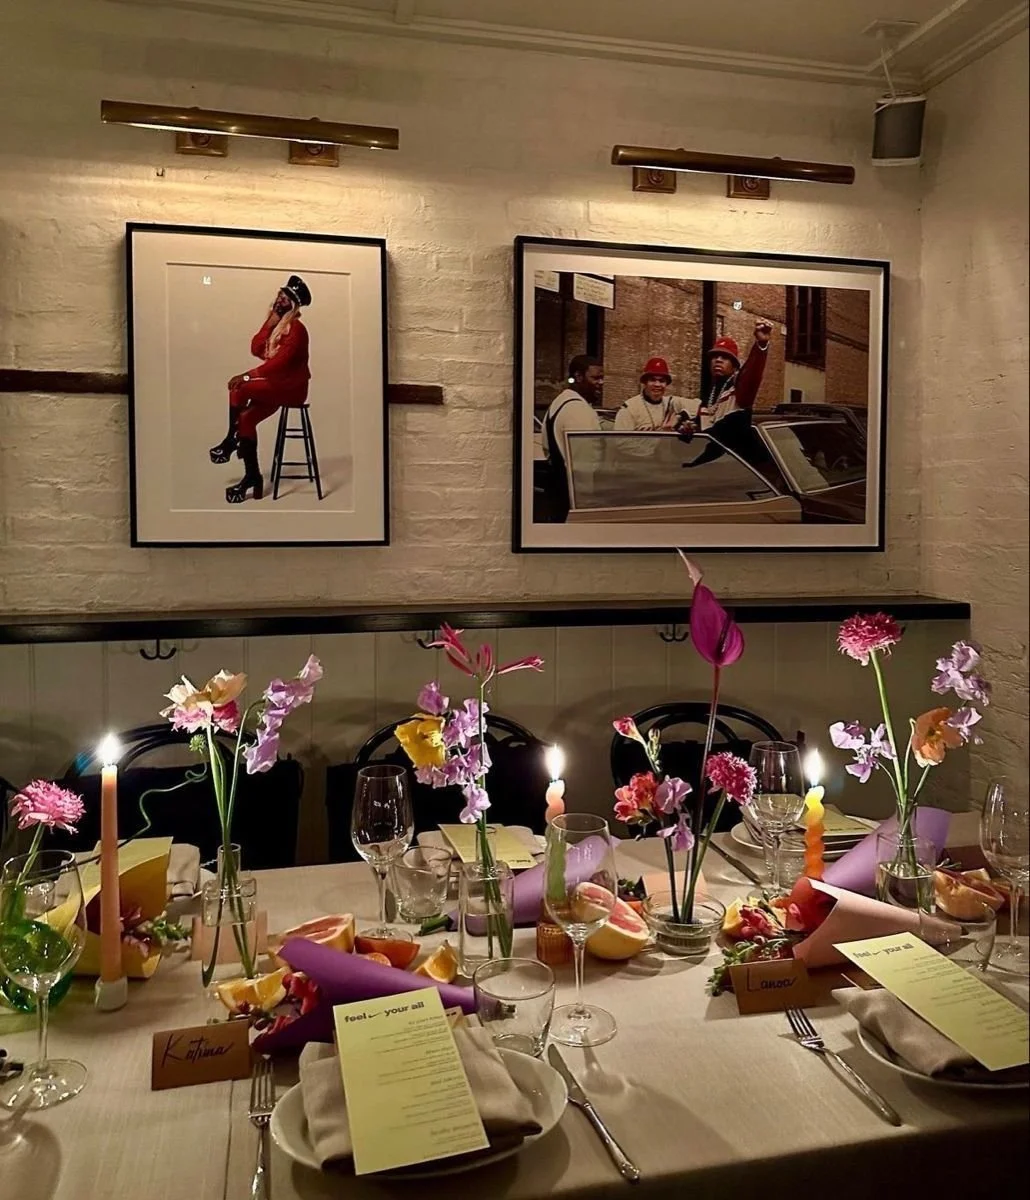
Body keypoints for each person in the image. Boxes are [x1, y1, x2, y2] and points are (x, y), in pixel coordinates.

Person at [209, 274, 313, 504]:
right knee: (246, 419)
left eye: (285, 298)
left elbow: (278, 364)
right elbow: (256, 348)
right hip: (275, 385)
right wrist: (269, 323)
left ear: (293, 305)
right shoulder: (279, 327)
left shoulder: (296, 329)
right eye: (280, 295)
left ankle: (231, 440)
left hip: (291, 388)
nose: (279, 300)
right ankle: (252, 476)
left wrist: (246, 376)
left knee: (239, 388)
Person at [682, 320, 773, 468]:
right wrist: (688, 427)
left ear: (734, 366)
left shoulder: (739, 388)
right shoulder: (710, 393)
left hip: (738, 467)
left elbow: (752, 373)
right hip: (712, 467)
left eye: (724, 357)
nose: (718, 360)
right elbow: (702, 429)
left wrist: (761, 345)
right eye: (715, 357)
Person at [540, 355, 603, 521]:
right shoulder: (578, 410)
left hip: (557, 496)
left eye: (601, 378)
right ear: (578, 376)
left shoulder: (559, 402)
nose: (600, 383)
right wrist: (587, 504)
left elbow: (547, 448)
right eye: (595, 378)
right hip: (572, 500)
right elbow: (584, 465)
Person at [614, 357, 693, 433]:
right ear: (645, 382)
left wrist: (681, 418)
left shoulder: (671, 403)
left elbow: (697, 405)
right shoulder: (629, 408)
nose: (657, 384)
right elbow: (620, 440)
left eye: (662, 381)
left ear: (666, 384)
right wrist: (661, 433)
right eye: (652, 380)